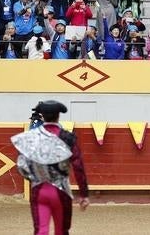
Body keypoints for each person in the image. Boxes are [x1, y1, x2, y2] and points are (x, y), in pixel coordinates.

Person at [11, 100, 90, 235]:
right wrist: (84, 194)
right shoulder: (67, 138)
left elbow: (22, 165)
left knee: (41, 230)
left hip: (39, 190)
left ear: (42, 115)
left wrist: (35, 178)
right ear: (58, 116)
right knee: (61, 231)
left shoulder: (31, 137)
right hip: (61, 191)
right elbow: (78, 166)